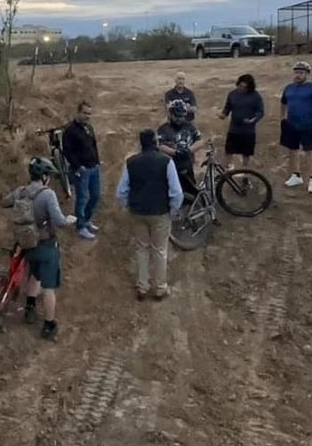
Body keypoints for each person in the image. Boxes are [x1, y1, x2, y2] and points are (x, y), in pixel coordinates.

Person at [1, 157, 78, 340]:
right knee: (49, 287)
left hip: (25, 244)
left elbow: (4, 202)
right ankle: (49, 325)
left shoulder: (21, 191)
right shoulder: (47, 194)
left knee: (34, 274)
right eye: (48, 175)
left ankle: (29, 308)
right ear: (44, 176)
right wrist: (69, 220)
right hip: (45, 246)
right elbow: (59, 221)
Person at [116, 129, 184, 301]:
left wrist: (128, 206)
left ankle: (143, 286)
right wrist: (173, 210)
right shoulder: (166, 161)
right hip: (160, 212)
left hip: (138, 212)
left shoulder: (130, 162)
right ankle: (160, 288)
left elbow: (121, 191)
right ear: (155, 142)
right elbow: (176, 192)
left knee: (142, 249)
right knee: (160, 250)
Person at [280, 61, 312, 194]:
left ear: (307, 74)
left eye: (301, 73)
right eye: (297, 72)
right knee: (292, 150)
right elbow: (283, 102)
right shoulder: (289, 88)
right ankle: (296, 175)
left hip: (306, 124)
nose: (298, 75)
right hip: (291, 124)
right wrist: (282, 117)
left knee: (310, 151)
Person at [61, 101, 102, 240]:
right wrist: (78, 166)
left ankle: (87, 219)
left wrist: (97, 161)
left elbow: (94, 145)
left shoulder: (89, 128)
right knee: (82, 198)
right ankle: (81, 226)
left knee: (96, 195)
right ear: (78, 112)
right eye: (85, 113)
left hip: (94, 168)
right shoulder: (70, 130)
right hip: (81, 170)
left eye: (89, 113)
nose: (87, 116)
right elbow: (67, 151)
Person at [157, 100, 205, 195]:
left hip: (187, 163)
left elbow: (200, 141)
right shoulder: (163, 129)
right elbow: (160, 145)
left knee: (191, 191)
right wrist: (175, 152)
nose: (179, 119)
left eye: (181, 116)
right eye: (176, 116)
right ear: (170, 114)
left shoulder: (190, 126)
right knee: (171, 191)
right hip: (170, 165)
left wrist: (189, 150)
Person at [219, 74, 264, 168]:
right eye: (240, 86)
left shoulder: (256, 96)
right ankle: (224, 175)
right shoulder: (232, 94)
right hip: (233, 130)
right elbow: (227, 108)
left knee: (246, 155)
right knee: (228, 152)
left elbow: (260, 112)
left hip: (248, 131)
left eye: (244, 87)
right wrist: (222, 115)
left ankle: (246, 178)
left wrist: (253, 120)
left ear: (250, 87)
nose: (242, 88)